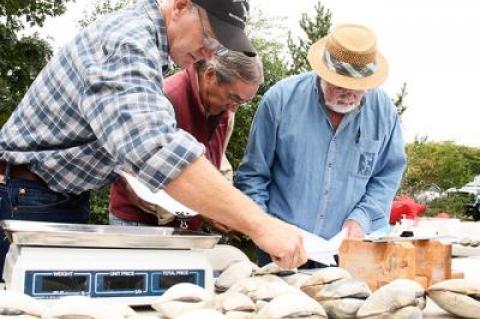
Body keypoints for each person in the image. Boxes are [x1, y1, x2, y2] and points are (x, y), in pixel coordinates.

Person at [0, 0, 307, 278]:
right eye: (209, 37)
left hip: (58, 193)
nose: (209, 54)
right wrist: (260, 224)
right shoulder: (127, 44)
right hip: (26, 195)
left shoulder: (148, 47)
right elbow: (155, 149)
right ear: (180, 6)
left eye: (218, 46)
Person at [234, 24, 407, 267]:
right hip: (282, 248)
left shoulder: (384, 112)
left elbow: (387, 175)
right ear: (322, 72)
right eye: (339, 84)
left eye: (357, 88)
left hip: (349, 251)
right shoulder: (281, 100)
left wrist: (363, 218)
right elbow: (253, 175)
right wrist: (264, 228)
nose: (347, 94)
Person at [109, 51, 263, 230]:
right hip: (138, 223)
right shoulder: (164, 100)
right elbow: (138, 180)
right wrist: (206, 209)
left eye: (242, 102)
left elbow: (218, 162)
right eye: (233, 98)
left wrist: (226, 208)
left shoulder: (225, 112)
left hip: (185, 225)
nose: (234, 108)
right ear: (210, 75)